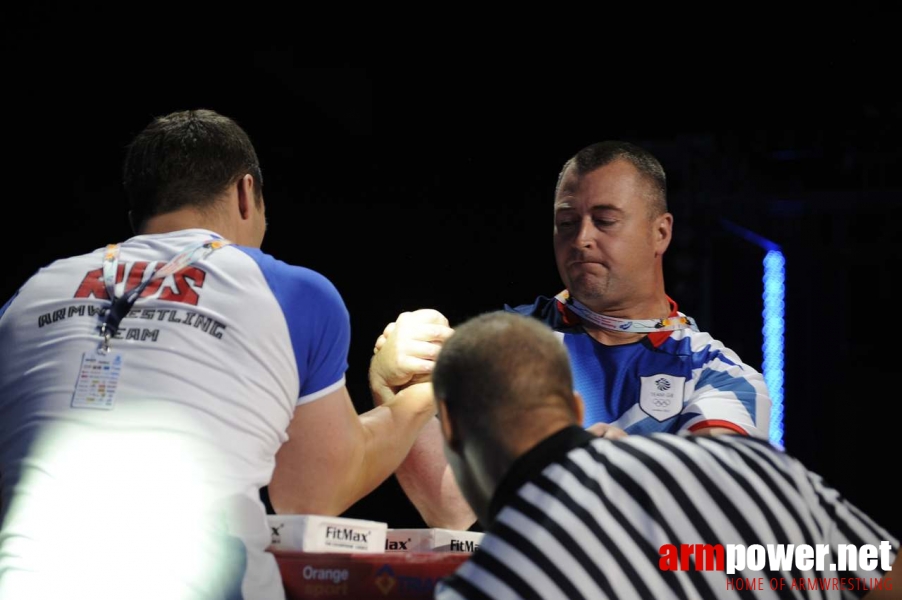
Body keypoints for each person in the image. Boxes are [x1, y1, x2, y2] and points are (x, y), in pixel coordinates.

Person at [0, 109, 436, 600]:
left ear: (135, 216)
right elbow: (311, 495)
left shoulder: (28, 296)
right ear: (247, 194)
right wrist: (417, 397)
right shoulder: (290, 292)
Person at [369, 140, 772, 530]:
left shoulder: (724, 378)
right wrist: (396, 389)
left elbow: (714, 508)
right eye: (566, 222)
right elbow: (450, 508)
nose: (581, 239)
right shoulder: (505, 345)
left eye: (605, 220)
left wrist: (633, 471)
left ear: (660, 233)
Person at [429, 311, 898, 600]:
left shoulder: (493, 583)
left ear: (448, 425)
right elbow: (888, 577)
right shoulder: (761, 467)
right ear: (574, 407)